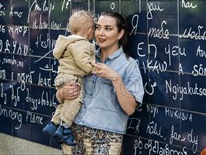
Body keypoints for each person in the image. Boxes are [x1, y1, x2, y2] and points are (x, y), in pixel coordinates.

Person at [56, 11, 144, 155]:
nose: (100, 33)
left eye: (108, 29)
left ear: (120, 34)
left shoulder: (129, 65)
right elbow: (61, 95)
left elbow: (130, 109)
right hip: (72, 132)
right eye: (98, 27)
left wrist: (115, 78)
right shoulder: (82, 56)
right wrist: (61, 93)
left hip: (106, 139)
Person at [43, 11, 96, 146]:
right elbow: (82, 60)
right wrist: (92, 69)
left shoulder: (68, 42)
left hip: (62, 77)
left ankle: (54, 123)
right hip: (72, 77)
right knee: (76, 101)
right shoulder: (82, 43)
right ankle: (65, 128)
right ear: (90, 31)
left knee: (64, 104)